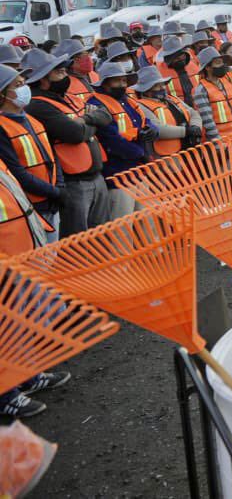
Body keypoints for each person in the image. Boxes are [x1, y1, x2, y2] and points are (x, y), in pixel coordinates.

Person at [0, 153, 69, 420]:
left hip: (17, 253)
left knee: (19, 323)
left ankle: (27, 375)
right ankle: (6, 395)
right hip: (6, 260)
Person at [23, 49, 111, 237]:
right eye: (59, 72)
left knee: (101, 238)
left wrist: (85, 120)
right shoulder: (37, 105)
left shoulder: (66, 97)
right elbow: (75, 134)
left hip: (95, 177)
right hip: (74, 184)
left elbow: (105, 115)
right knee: (78, 241)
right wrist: (91, 123)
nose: (65, 75)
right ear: (43, 79)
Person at [0, 61, 64, 243]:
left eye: (24, 83)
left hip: (50, 201)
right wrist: (55, 192)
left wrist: (60, 186)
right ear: (2, 94)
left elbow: (52, 156)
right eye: (17, 85)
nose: (24, 88)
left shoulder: (30, 119)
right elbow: (16, 172)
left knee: (52, 253)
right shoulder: (2, 128)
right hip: (32, 205)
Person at [88, 62, 156, 218]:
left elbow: (145, 120)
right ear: (105, 83)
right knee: (124, 226)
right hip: (118, 176)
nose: (122, 84)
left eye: (124, 81)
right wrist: (141, 152)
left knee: (147, 222)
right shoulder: (97, 105)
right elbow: (111, 140)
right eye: (117, 80)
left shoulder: (127, 100)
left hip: (139, 172)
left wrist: (153, 130)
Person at [133, 66, 201, 157]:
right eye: (156, 86)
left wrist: (195, 127)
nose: (162, 88)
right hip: (169, 157)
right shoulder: (141, 106)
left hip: (192, 148)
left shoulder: (172, 98)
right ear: (145, 90)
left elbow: (193, 113)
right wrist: (187, 131)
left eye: (163, 84)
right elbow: (157, 128)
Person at [191, 47, 232, 143]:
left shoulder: (227, 83)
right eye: (218, 63)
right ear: (207, 67)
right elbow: (208, 121)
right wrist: (219, 145)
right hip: (221, 143)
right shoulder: (201, 90)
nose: (222, 65)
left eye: (222, 62)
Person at [156, 36, 199, 108]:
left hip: (198, 108)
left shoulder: (194, 65)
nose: (181, 59)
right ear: (168, 58)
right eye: (177, 57)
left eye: (182, 55)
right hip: (177, 110)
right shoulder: (158, 73)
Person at [55, 39, 96, 108]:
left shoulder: (94, 75)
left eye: (87, 53)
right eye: (83, 55)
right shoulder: (63, 83)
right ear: (70, 62)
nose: (88, 58)